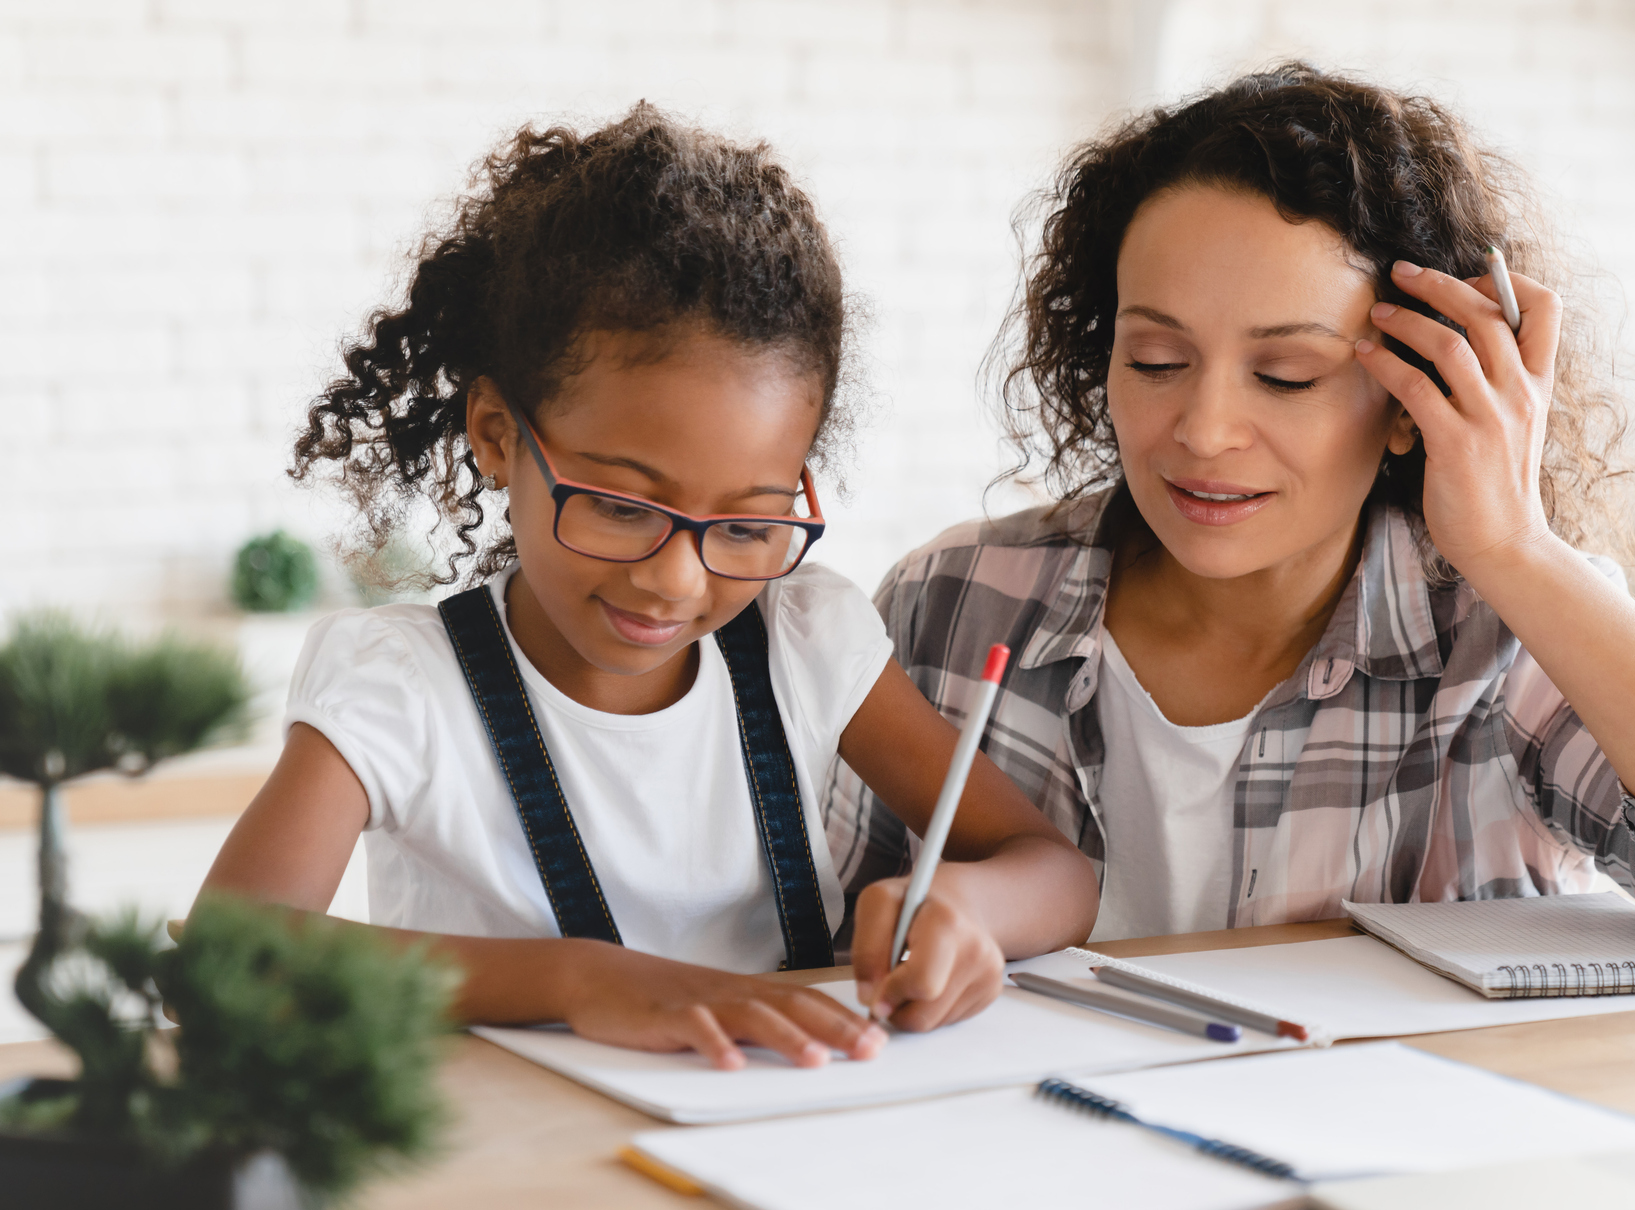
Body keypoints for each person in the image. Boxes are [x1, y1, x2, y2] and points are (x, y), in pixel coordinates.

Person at [828, 66, 1635, 962]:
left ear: (1409, 398)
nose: (1202, 430)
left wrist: (1517, 549)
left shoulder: (1499, 641)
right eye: (1153, 359)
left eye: (1285, 376)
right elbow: (812, 950)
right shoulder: (952, 604)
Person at [199, 106, 1098, 1068]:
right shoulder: (402, 687)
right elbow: (227, 957)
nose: (675, 580)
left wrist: (969, 908)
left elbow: (1059, 874)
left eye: (748, 524)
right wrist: (576, 979)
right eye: (623, 507)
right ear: (498, 437)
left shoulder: (806, 639)